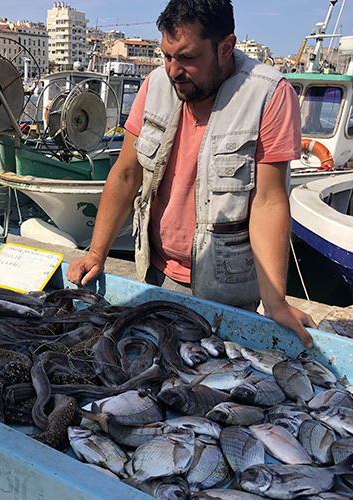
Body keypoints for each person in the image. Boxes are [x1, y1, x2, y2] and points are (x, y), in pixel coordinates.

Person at [66, 0, 317, 348]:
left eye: (187, 57)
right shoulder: (154, 85)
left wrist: (275, 301)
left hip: (225, 290)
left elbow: (268, 201)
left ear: (226, 47)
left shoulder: (269, 95)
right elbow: (126, 175)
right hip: (153, 271)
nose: (173, 70)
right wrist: (96, 254)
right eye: (167, 56)